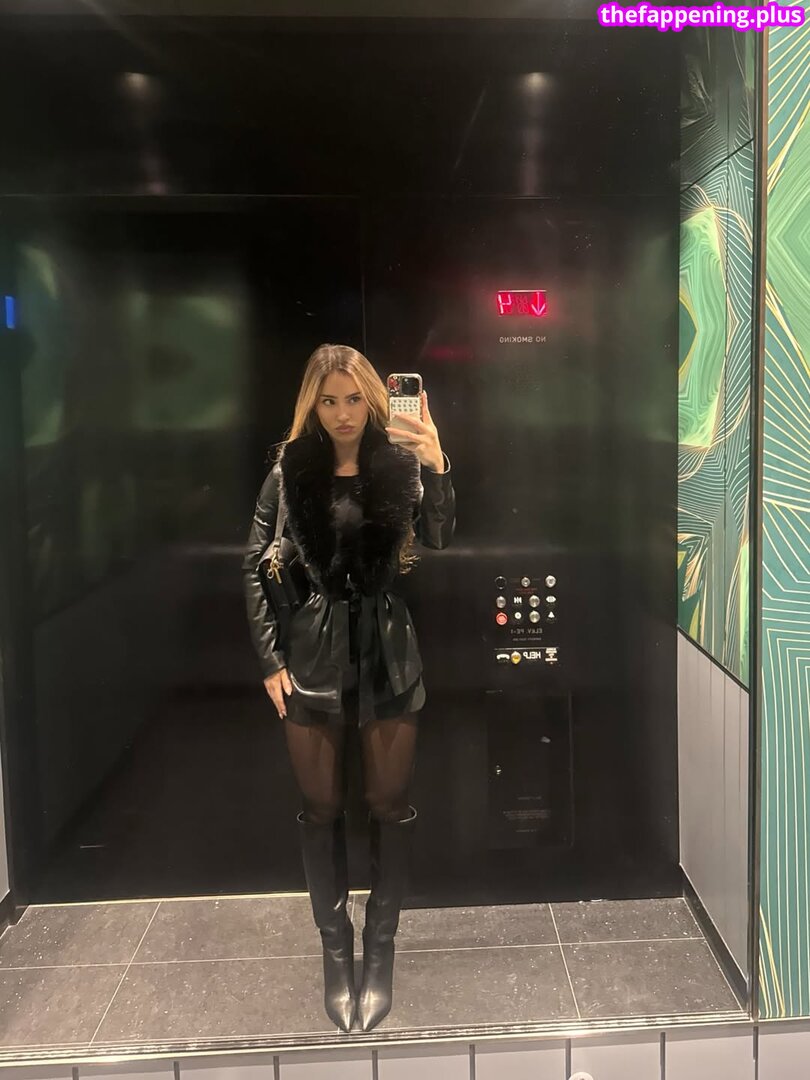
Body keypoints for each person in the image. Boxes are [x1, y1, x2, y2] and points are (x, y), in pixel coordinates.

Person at [242, 344, 455, 1033]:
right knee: (321, 807)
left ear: (372, 399)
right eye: (329, 400)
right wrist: (270, 660)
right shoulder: (289, 471)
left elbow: (440, 538)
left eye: (354, 399)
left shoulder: (397, 462)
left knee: (389, 805)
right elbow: (253, 564)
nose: (341, 414)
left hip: (389, 651)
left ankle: (380, 948)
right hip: (312, 653)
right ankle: (336, 953)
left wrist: (437, 463)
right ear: (313, 402)